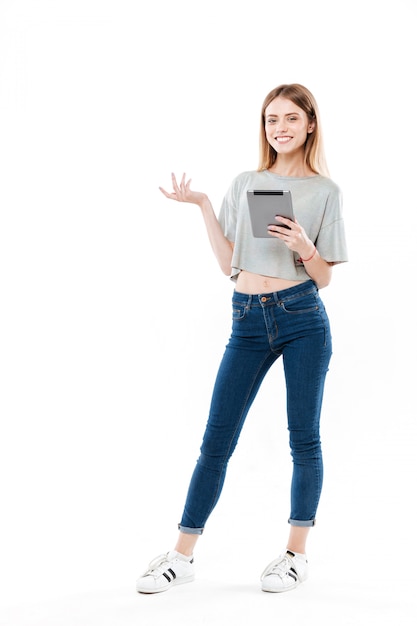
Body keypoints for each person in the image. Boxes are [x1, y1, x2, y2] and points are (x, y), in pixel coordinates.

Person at [136, 83, 348, 594]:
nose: (280, 127)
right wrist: (205, 205)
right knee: (216, 439)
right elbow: (228, 263)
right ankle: (182, 556)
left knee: (304, 438)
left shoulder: (325, 191)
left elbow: (324, 278)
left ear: (310, 125)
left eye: (291, 119)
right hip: (247, 317)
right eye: (272, 119)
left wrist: (302, 244)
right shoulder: (248, 182)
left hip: (302, 316)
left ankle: (295, 555)